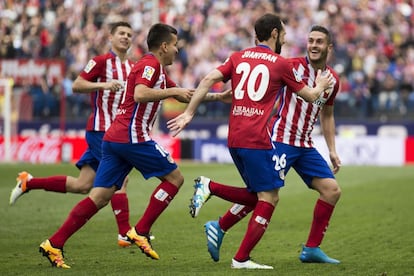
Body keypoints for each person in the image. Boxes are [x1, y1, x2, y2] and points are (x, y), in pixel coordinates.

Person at [37, 22, 229, 269]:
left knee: (99, 195)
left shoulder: (155, 68)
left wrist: (218, 97)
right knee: (175, 179)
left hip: (115, 137)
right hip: (132, 136)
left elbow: (183, 95)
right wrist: (170, 89)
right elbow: (140, 94)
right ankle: (141, 230)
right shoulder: (150, 65)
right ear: (163, 46)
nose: (177, 51)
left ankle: (54, 243)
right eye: (175, 46)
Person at [167, 14, 335, 270]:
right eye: (309, 40)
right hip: (277, 139)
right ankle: (232, 241)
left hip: (302, 143)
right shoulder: (286, 64)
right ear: (276, 34)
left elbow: (327, 113)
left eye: (319, 42)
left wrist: (193, 110)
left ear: (328, 47)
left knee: (329, 190)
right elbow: (309, 95)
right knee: (265, 196)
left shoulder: (242, 57)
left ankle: (310, 248)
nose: (312, 45)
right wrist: (319, 86)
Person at [10, 21, 135, 248]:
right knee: (121, 176)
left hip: (116, 131)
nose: (126, 37)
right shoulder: (100, 62)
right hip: (100, 130)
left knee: (82, 185)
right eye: (121, 33)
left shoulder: (132, 68)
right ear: (110, 37)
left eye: (129, 34)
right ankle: (124, 233)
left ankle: (29, 182)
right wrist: (104, 85)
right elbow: (77, 85)